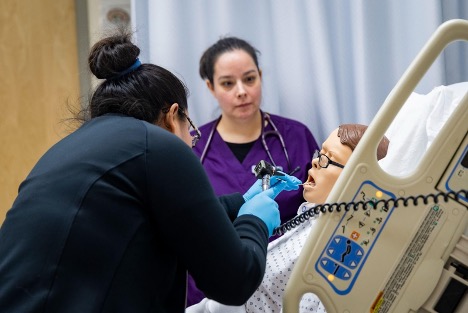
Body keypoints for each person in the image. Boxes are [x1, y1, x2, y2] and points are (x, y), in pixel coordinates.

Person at [0, 31, 302, 313]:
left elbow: (168, 218)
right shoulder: (159, 146)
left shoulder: (72, 148)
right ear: (173, 117)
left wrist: (240, 203)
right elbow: (235, 282)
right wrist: (254, 220)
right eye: (190, 130)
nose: (190, 140)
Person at [187, 124, 390, 313]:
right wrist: (244, 203)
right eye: (320, 153)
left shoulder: (341, 246)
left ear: (358, 180)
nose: (315, 161)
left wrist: (252, 220)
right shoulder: (312, 217)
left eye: (328, 159)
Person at [188, 36, 320, 307]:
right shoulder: (191, 149)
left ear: (260, 77)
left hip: (289, 287)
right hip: (215, 292)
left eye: (249, 79)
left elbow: (322, 206)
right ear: (210, 87)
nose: (241, 91)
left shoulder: (295, 136)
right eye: (227, 83)